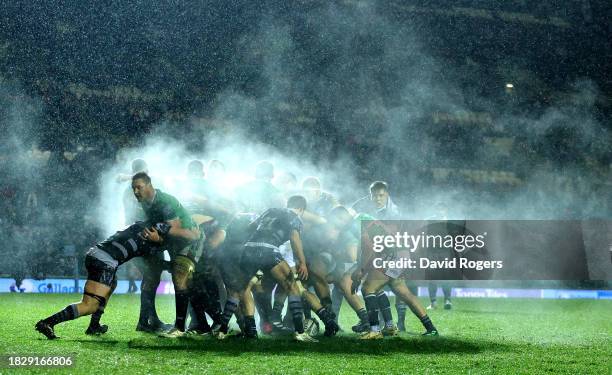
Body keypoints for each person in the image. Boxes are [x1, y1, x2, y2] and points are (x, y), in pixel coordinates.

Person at [35, 221, 170, 339]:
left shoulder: (139, 224)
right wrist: (162, 246)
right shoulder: (149, 244)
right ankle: (47, 322)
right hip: (105, 261)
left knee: (112, 283)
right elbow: (155, 263)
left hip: (96, 253)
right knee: (89, 305)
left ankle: (94, 326)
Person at [238, 196, 339, 342]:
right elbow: (295, 240)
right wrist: (302, 263)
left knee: (247, 289)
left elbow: (250, 227)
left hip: (248, 251)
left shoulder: (271, 210)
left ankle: (251, 331)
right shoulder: (295, 217)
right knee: (294, 287)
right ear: (301, 210)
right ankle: (301, 331)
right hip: (269, 252)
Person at [131, 172, 201, 338]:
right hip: (172, 243)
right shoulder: (145, 204)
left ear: (149, 185)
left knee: (181, 278)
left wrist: (158, 238)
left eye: (139, 187)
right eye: (133, 188)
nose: (135, 191)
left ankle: (181, 327)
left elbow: (178, 231)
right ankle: (146, 320)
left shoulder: (165, 202)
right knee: (151, 275)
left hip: (190, 241)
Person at [351, 220, 439, 339]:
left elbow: (369, 251)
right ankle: (430, 328)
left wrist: (360, 271)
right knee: (404, 293)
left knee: (368, 288)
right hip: (402, 255)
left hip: (393, 256)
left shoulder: (365, 228)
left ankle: (375, 330)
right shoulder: (377, 224)